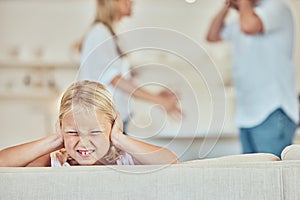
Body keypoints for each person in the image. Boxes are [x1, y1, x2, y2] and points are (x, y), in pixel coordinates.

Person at [0, 81, 179, 167]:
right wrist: (56, 140)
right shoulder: (54, 161)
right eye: (73, 133)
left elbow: (172, 163)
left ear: (113, 125)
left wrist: (118, 138)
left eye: (94, 132)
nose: (83, 142)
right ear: (61, 127)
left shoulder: (125, 158)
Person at [206, 0, 299, 157]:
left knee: (272, 178)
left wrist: (243, 2)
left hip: (272, 111)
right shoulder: (239, 22)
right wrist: (227, 6)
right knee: (253, 179)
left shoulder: (276, 7)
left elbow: (249, 27)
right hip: (247, 115)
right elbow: (212, 36)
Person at [78, 0, 181, 133]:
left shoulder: (108, 33)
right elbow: (115, 80)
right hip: (103, 122)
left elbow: (118, 80)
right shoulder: (100, 33)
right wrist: (158, 100)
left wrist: (155, 95)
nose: (132, 2)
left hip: (113, 120)